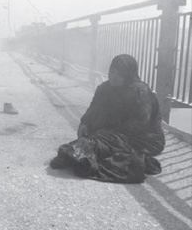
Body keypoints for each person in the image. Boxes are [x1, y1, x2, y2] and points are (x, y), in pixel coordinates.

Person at [50, 54, 165, 183]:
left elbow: (139, 124)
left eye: (119, 73)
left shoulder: (139, 92)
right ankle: (80, 154)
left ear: (127, 74)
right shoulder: (105, 89)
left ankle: (84, 156)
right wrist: (85, 123)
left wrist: (107, 131)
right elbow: (93, 110)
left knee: (100, 142)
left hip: (144, 138)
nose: (113, 76)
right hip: (115, 133)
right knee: (95, 140)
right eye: (111, 71)